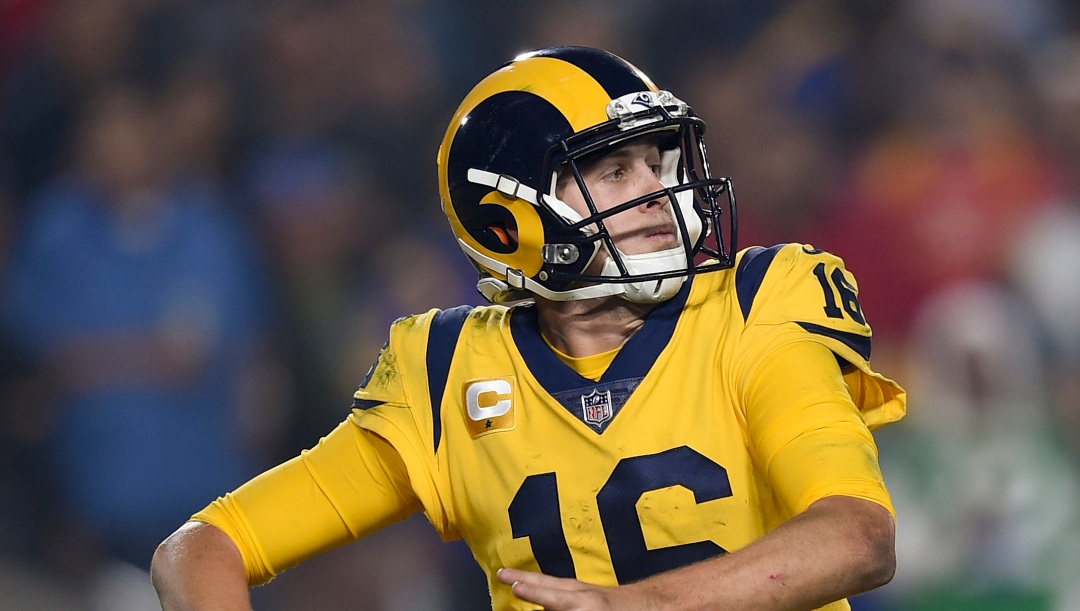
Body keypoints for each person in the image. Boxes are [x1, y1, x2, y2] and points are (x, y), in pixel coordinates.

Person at [151, 46, 907, 611]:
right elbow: (200, 548)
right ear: (506, 219)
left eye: (659, 163)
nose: (658, 193)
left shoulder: (759, 304)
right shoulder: (446, 370)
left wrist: (641, 603)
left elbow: (857, 535)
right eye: (615, 173)